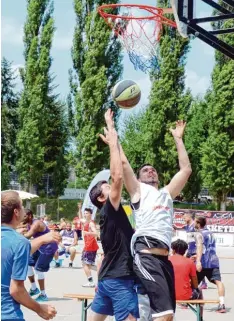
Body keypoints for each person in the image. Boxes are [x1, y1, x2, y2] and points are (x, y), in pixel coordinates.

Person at [118, 120, 192, 321]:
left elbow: (186, 170)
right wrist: (114, 141)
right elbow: (124, 164)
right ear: (139, 179)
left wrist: (178, 139)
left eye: (153, 170)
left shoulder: (166, 193)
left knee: (161, 316)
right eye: (145, 170)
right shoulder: (138, 191)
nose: (150, 171)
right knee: (164, 315)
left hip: (164, 260)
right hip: (146, 256)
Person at [89, 109, 139, 321]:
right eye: (106, 187)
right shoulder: (110, 207)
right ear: (101, 198)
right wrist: (112, 139)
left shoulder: (109, 215)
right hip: (119, 279)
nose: (111, 186)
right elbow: (118, 176)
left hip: (107, 278)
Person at [1, 190, 58, 321]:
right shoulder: (18, 242)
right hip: (8, 314)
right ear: (16, 212)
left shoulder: (16, 242)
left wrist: (42, 239)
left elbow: (10, 254)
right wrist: (40, 309)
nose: (24, 210)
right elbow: (16, 290)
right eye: (21, 206)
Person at [23, 209, 58, 302]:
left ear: (30, 216)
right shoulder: (28, 223)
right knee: (28, 264)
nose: (22, 217)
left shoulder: (36, 223)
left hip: (48, 248)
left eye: (24, 216)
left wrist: (13, 234)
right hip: (40, 247)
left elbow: (28, 235)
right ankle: (34, 289)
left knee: (38, 270)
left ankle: (43, 294)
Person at [194, 216, 226, 313]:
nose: (194, 224)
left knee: (193, 281)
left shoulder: (199, 234)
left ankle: (193, 299)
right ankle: (222, 303)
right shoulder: (211, 233)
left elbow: (200, 247)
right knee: (218, 282)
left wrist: (198, 260)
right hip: (213, 260)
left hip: (204, 261)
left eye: (195, 222)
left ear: (199, 224)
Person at [169, 239, 203, 319]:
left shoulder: (167, 260)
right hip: (185, 296)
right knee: (199, 291)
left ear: (173, 250)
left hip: (168, 295)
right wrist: (195, 289)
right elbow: (195, 281)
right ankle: (200, 317)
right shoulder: (189, 262)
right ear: (185, 251)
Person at [182, 212, 208, 289]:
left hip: (195, 249)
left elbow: (199, 239)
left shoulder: (195, 226)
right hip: (189, 249)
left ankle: (203, 283)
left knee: (195, 267)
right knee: (188, 266)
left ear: (189, 217)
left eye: (184, 218)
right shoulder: (187, 226)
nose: (183, 220)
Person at [79, 207, 99, 288]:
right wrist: (79, 209)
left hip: (90, 246)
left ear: (91, 214)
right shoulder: (86, 221)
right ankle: (102, 270)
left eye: (87, 213)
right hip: (89, 245)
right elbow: (80, 218)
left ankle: (90, 282)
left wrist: (87, 233)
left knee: (85, 264)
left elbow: (96, 233)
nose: (85, 214)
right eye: (84, 213)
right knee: (88, 264)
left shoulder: (91, 223)